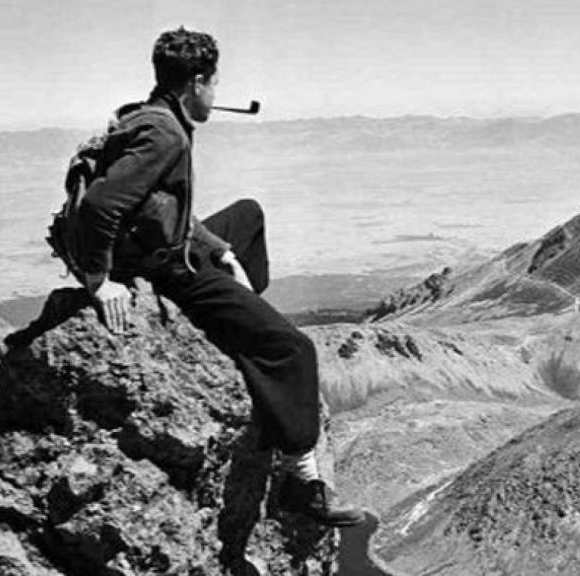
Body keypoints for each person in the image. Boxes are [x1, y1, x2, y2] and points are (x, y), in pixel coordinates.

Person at [76, 26, 364, 527]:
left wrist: (221, 249)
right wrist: (99, 281)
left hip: (173, 245)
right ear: (197, 83)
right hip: (166, 269)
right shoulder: (165, 133)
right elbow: (101, 206)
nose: (216, 94)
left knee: (247, 216)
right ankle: (303, 486)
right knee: (295, 349)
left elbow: (167, 208)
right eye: (214, 83)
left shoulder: (151, 116)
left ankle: (243, 315)